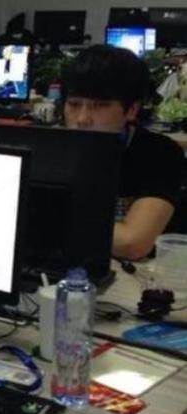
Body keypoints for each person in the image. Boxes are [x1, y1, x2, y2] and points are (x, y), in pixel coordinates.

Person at [61, 45, 184, 260]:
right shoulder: (52, 148)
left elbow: (132, 243)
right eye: (74, 104)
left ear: (132, 110)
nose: (82, 119)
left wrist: (45, 226)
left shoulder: (159, 154)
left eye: (100, 106)